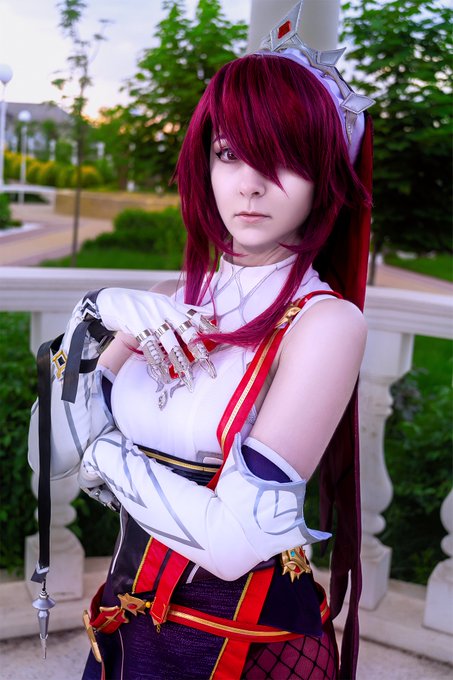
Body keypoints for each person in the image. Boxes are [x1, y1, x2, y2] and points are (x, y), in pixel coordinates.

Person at [28, 4, 373, 679]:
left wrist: (98, 450)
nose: (250, 183)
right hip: (126, 626)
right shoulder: (164, 299)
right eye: (229, 153)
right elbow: (46, 446)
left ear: (325, 175)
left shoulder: (325, 323)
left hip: (243, 644)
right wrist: (91, 318)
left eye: (285, 158)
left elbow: (233, 541)